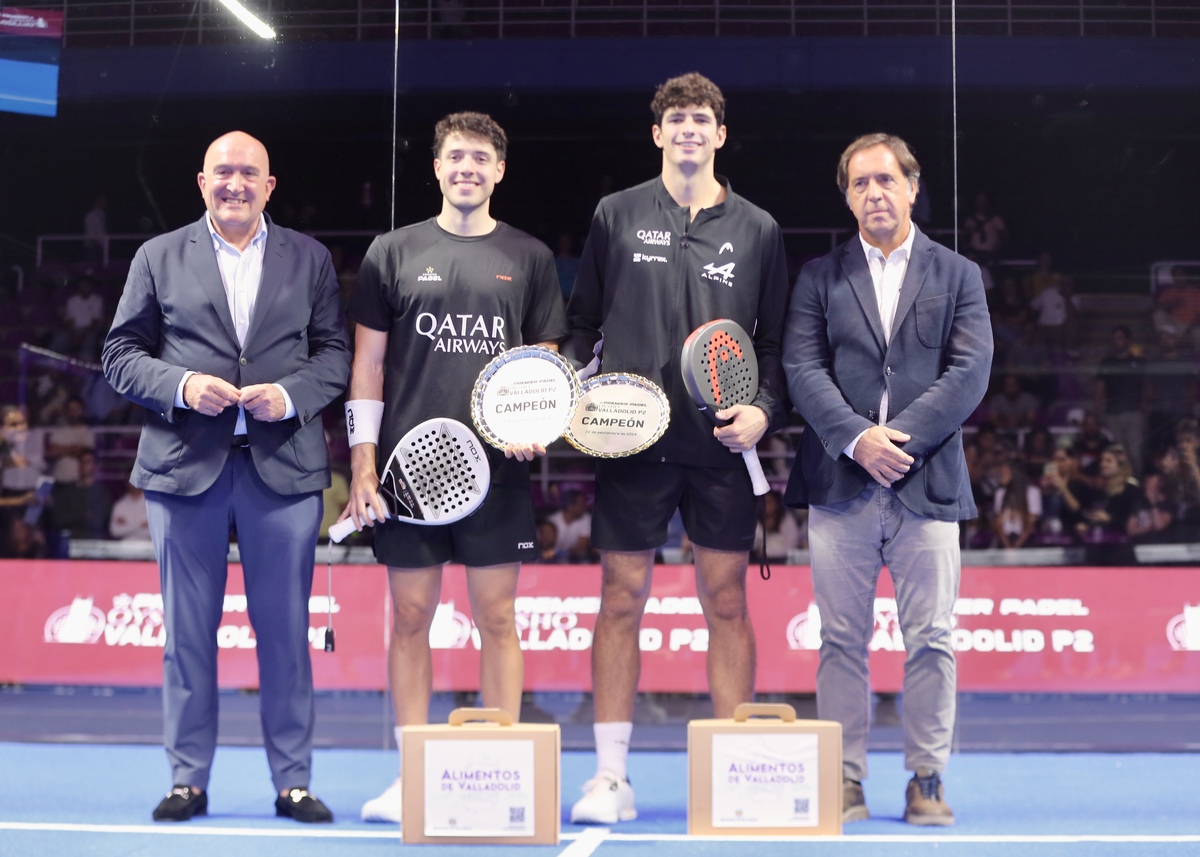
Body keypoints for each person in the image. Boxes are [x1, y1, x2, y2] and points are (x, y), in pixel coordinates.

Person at [102, 131, 350, 824]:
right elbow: (120, 353)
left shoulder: (310, 258)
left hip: (284, 470)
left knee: (285, 633)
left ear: (270, 185)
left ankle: (293, 781)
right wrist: (180, 385)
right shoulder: (158, 255)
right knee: (185, 634)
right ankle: (188, 778)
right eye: (223, 172)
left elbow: (334, 354)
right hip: (184, 471)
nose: (235, 183)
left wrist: (292, 394)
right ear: (201, 181)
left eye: (249, 173)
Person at [563, 72, 790, 825]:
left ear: (721, 134)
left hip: (721, 447)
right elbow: (582, 324)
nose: (689, 129)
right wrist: (561, 393)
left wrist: (761, 411)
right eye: (675, 119)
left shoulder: (757, 228)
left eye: (702, 119)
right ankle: (610, 777)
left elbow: (778, 346)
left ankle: (734, 771)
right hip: (630, 439)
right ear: (656, 133)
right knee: (621, 597)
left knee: (725, 598)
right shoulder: (615, 215)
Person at [340, 112, 568, 825]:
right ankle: (414, 771)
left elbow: (548, 363)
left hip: (498, 474)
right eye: (454, 156)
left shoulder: (529, 257)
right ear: (436, 168)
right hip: (408, 474)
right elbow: (368, 363)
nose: (467, 167)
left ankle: (497, 770)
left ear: (499, 170)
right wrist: (364, 459)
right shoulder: (392, 251)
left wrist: (536, 427)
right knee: (410, 616)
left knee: (497, 616)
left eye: (480, 157)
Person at [782, 133, 993, 826]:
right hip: (841, 482)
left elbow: (970, 372)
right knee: (841, 639)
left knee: (932, 635)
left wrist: (896, 441)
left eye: (885, 180)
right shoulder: (819, 276)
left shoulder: (958, 274)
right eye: (859, 184)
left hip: (925, 482)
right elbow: (802, 369)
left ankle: (926, 776)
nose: (874, 193)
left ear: (911, 184)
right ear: (847, 196)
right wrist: (855, 438)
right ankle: (845, 778)